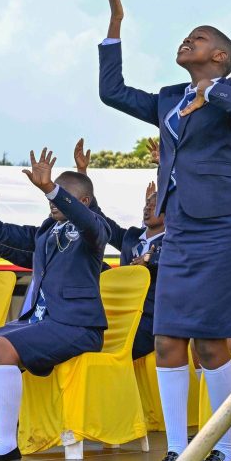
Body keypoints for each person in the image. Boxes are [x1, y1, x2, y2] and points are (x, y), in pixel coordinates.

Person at [98, 0, 231, 461]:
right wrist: (115, 25)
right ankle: (178, 450)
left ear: (218, 56)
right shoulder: (169, 96)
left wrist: (209, 93)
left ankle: (226, 450)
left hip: (222, 227)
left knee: (211, 344)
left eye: (198, 39)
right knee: (168, 339)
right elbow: (113, 93)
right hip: (181, 232)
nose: (186, 42)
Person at [0, 149, 109, 461]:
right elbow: (4, 238)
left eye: (62, 196)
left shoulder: (94, 230)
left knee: (2, 348)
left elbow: (87, 221)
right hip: (42, 323)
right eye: (51, 196)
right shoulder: (45, 232)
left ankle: (6, 442)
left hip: (78, 327)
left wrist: (51, 188)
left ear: (83, 202)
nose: (53, 201)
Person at [74, 139, 164, 360]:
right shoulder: (131, 237)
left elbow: (177, 259)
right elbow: (98, 217)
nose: (147, 209)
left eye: (154, 206)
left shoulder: (175, 243)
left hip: (152, 322)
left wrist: (150, 260)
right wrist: (82, 174)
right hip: (116, 317)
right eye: (146, 205)